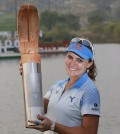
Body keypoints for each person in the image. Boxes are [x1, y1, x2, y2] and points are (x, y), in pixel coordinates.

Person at [20, 37, 100, 134]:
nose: (72, 63)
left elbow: (90, 132)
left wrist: (53, 126)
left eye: (79, 60)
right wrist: (29, 76)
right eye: (70, 57)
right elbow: (37, 112)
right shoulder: (59, 85)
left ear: (89, 64)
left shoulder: (89, 91)